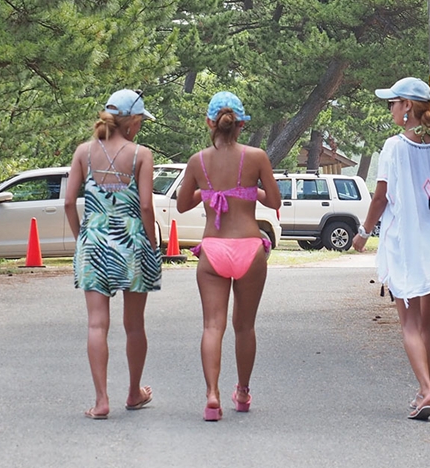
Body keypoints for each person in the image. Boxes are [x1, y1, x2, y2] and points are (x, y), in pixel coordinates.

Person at [351, 76, 430, 421]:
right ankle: (424, 390)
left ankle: (426, 389)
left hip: (408, 244)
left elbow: (381, 196)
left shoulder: (395, 147)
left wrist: (363, 232)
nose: (390, 108)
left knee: (410, 325)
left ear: (406, 108)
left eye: (393, 102)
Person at [176, 91, 281, 421]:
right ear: (241, 125)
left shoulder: (198, 161)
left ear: (210, 123)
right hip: (250, 247)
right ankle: (243, 392)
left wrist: (209, 192)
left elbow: (182, 204)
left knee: (212, 326)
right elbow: (275, 201)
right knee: (244, 327)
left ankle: (212, 395)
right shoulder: (257, 157)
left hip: (214, 249)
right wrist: (248, 190)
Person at [65, 88, 162, 420]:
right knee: (134, 325)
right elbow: (146, 205)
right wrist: (152, 241)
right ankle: (134, 393)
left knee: (96, 324)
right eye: (140, 122)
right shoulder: (141, 155)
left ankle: (102, 400)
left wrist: (83, 236)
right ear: (133, 122)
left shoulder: (83, 152)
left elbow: (68, 202)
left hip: (93, 242)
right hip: (132, 242)